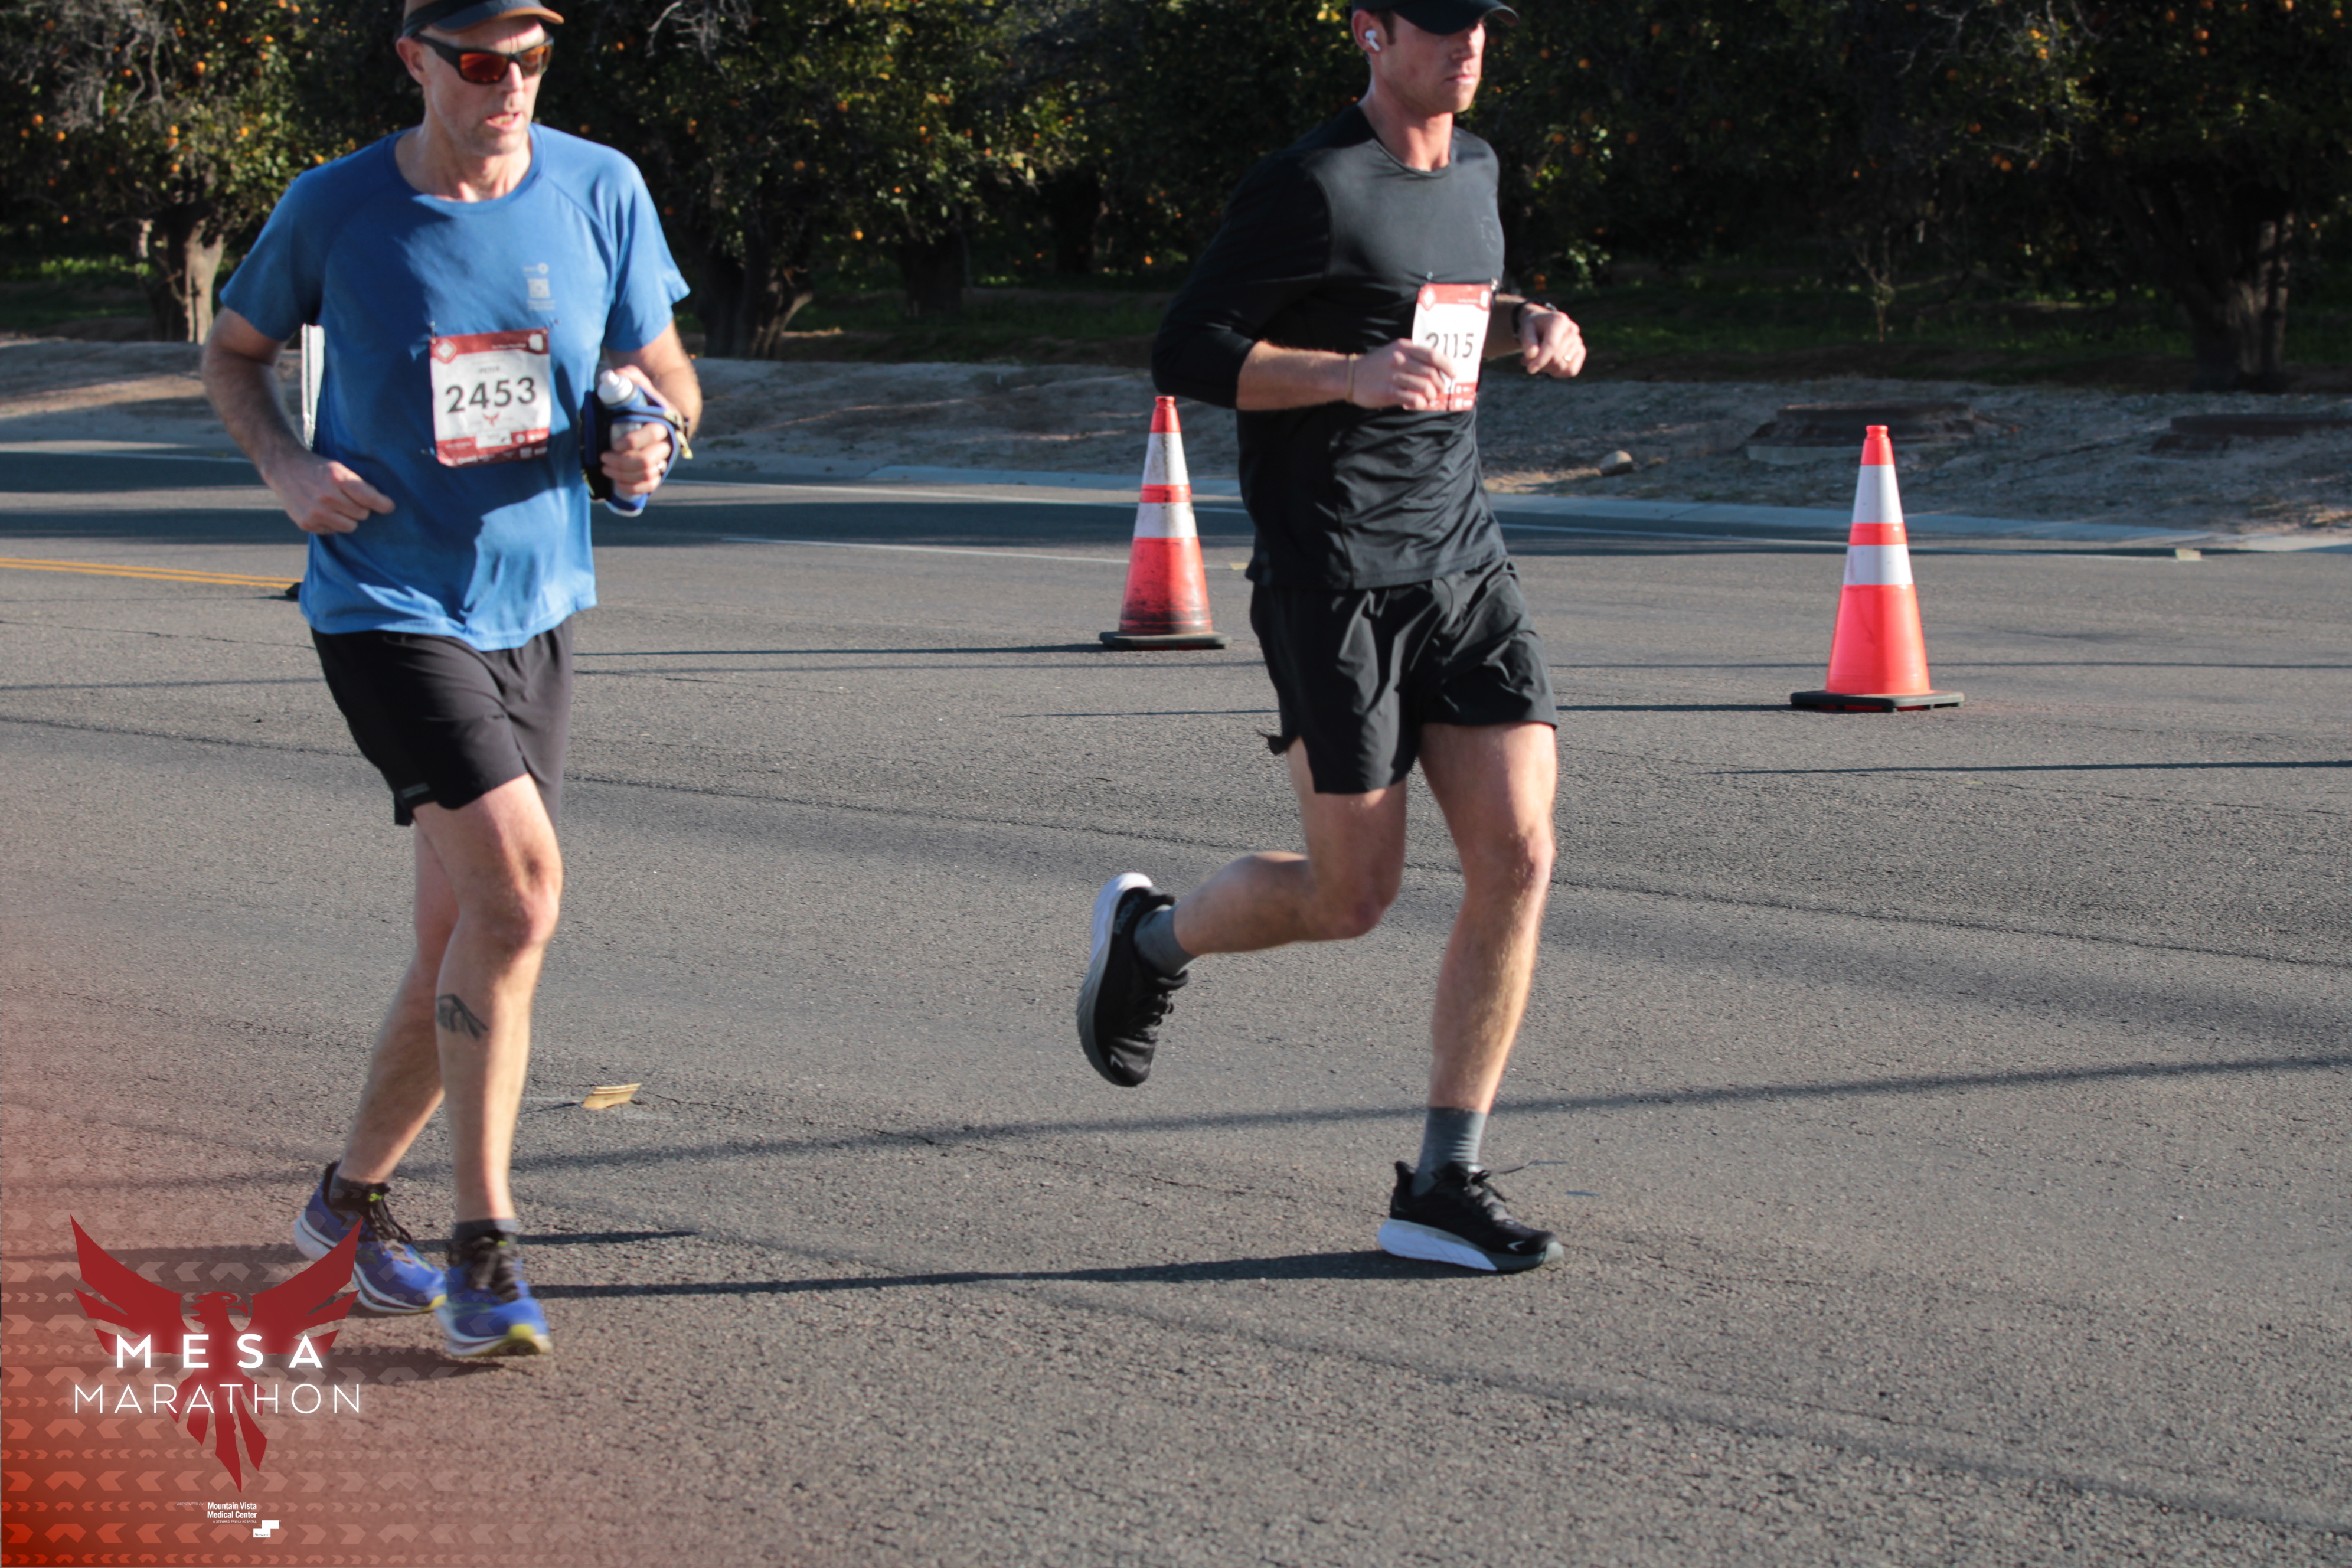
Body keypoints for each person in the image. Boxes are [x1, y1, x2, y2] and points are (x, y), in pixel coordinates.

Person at [201, 0, 698, 1355]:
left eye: (532, 59)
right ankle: (487, 1249)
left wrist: (649, 435)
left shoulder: (602, 188)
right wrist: (287, 468)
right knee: (521, 896)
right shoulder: (336, 207)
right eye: (481, 62)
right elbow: (234, 354)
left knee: (457, 936)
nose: (510, 86)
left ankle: (343, 1207)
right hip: (385, 601)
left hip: (537, 606)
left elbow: (667, 376)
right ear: (417, 61)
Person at [1079, 0, 1587, 1272]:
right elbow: (1186, 347)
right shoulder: (1309, 184)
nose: (1467, 45)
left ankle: (1444, 1179)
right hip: (1335, 575)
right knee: (1351, 896)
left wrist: (1530, 320)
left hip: (1463, 561)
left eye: (1481, 24)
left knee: (1521, 853)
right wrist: (1347, 376)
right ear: (1369, 31)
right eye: (1439, 23)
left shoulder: (1477, 168)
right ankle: (1150, 941)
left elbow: (1442, 303)